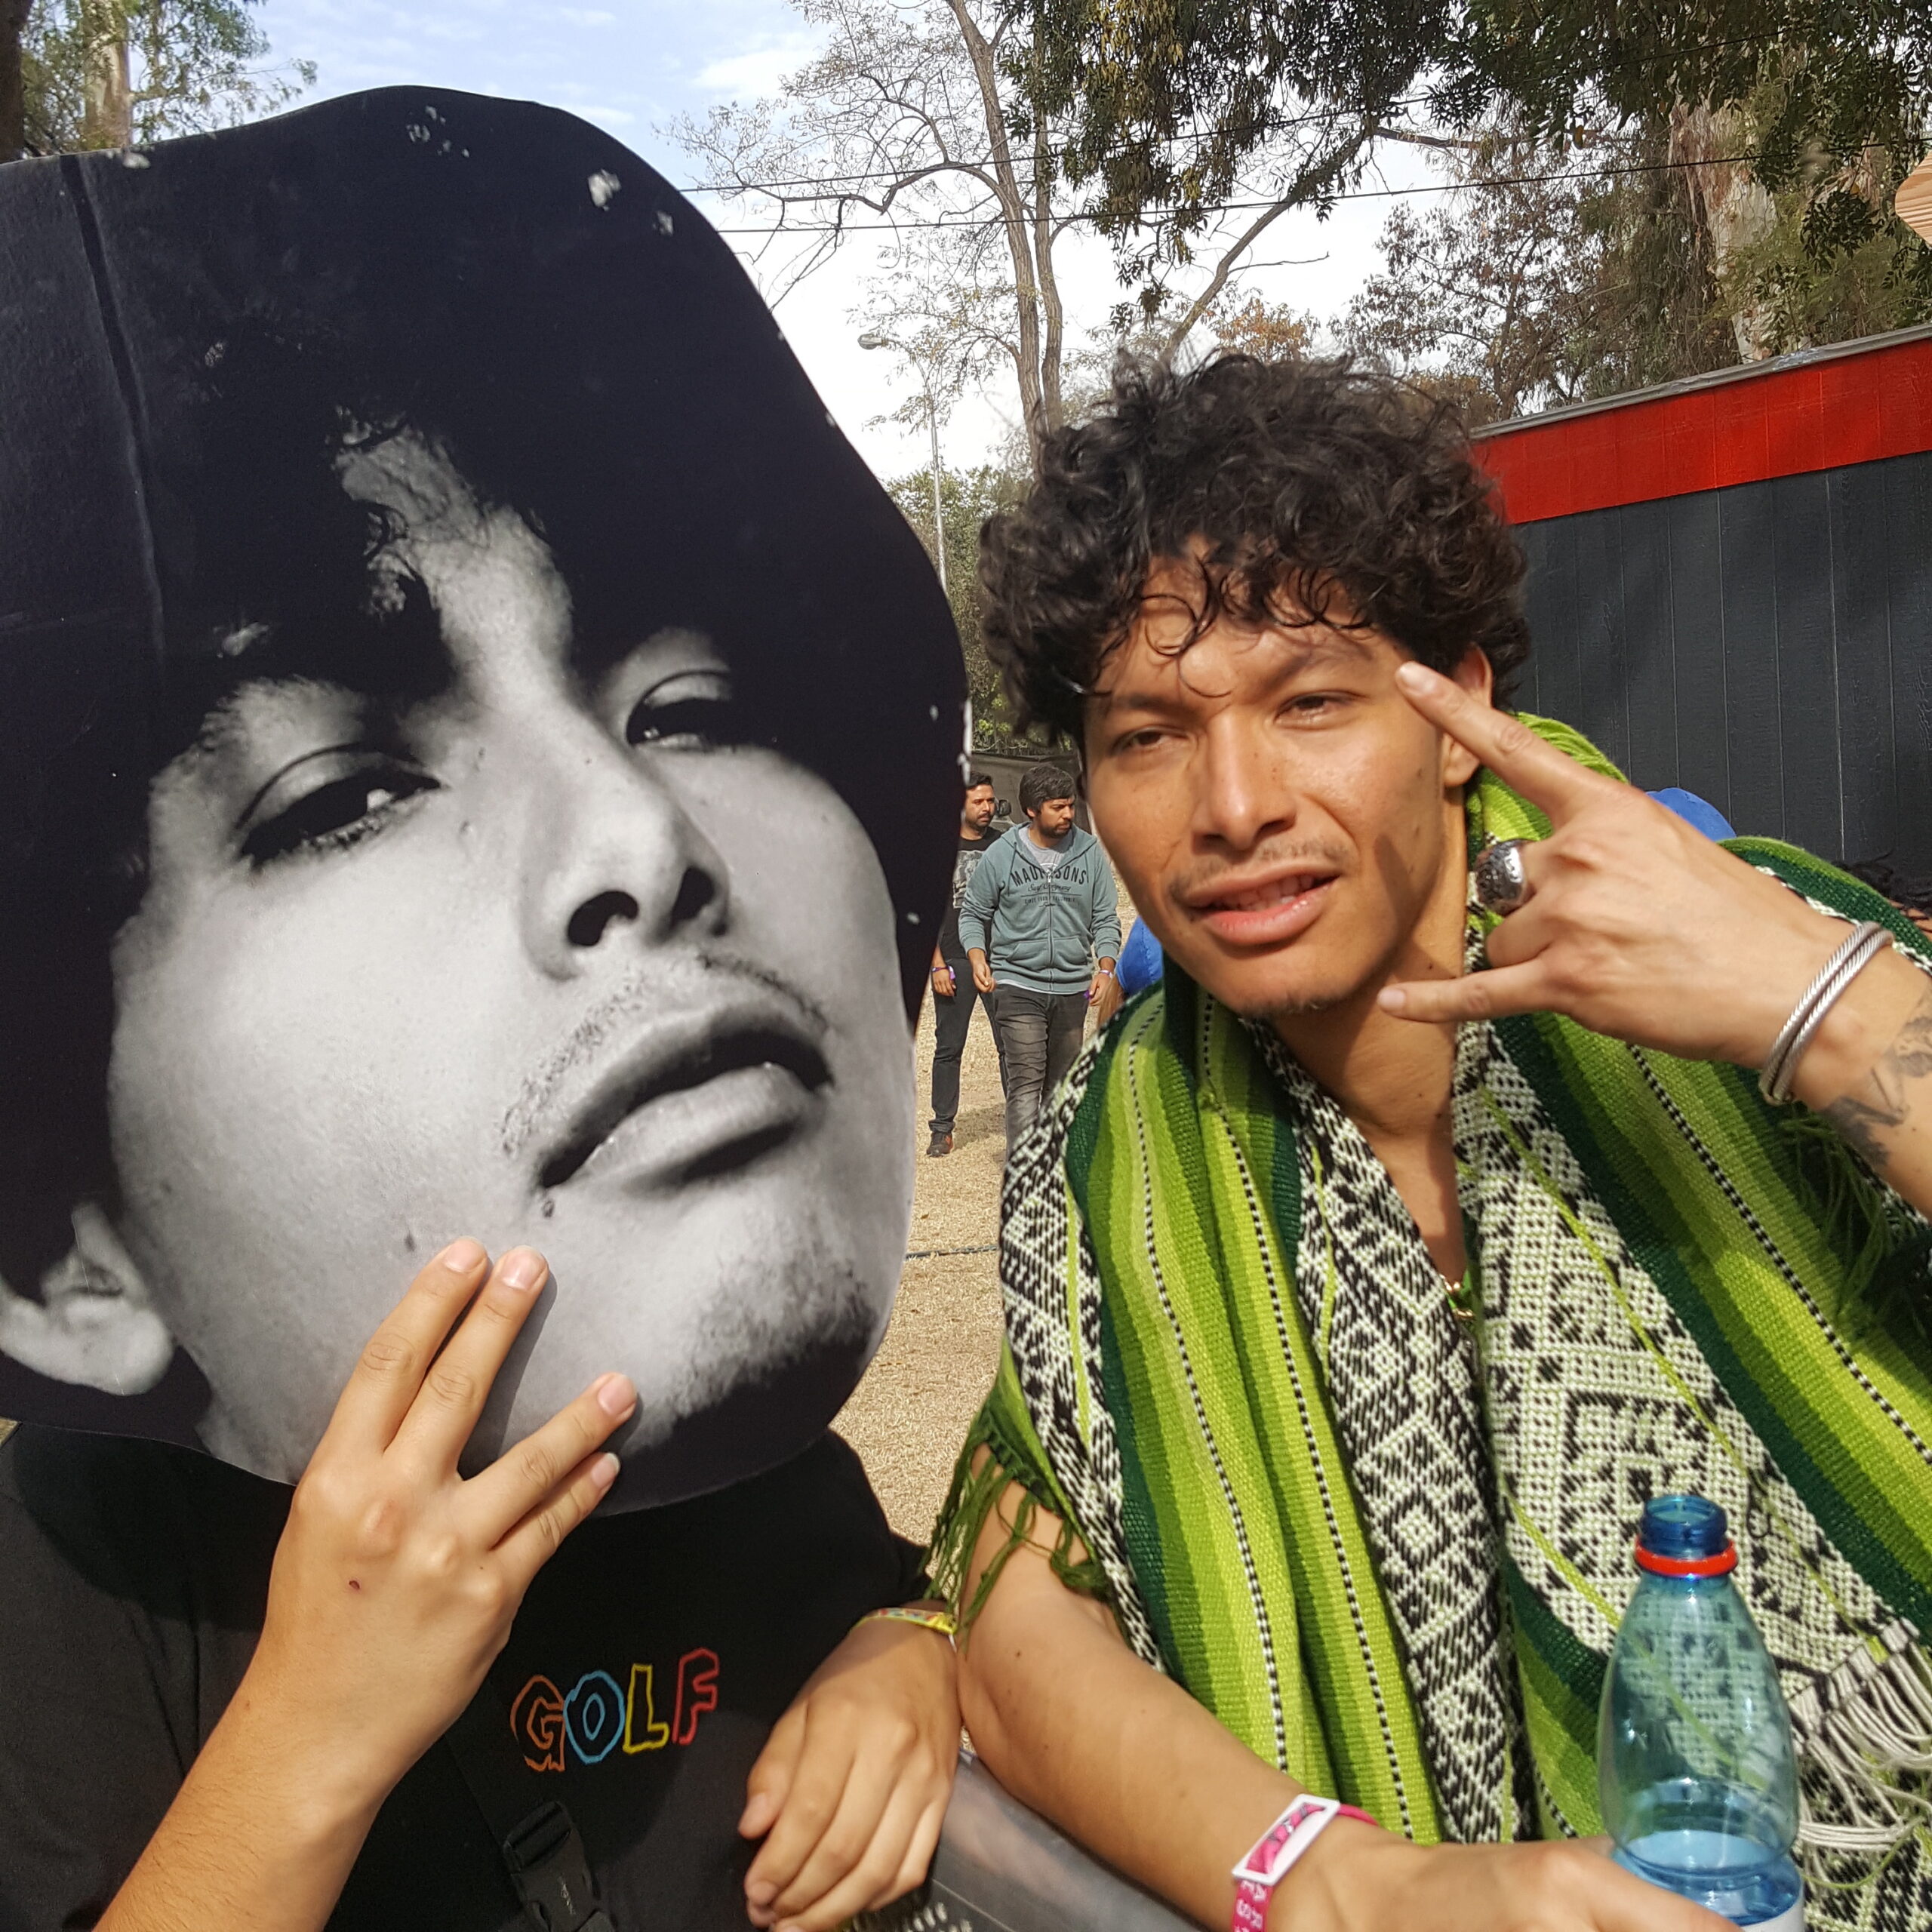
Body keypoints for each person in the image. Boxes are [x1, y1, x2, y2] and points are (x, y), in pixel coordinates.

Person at [0, 90, 966, 1930]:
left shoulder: (741, 1473)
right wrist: (309, 1723)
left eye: (689, 699)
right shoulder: (81, 1572)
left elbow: (887, 1586)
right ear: (64, 1259)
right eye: (335, 795)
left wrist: (906, 1644)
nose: (637, 831)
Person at [930, 355, 1932, 1932]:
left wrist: (1817, 1005)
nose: (1233, 802)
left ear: (1457, 715)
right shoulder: (1118, 1150)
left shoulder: (1778, 961)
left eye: (1311, 701)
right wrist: (1347, 1882)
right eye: (1145, 736)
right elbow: (1005, 1586)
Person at [958, 764, 1121, 1148]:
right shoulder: (1001, 855)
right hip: (1017, 985)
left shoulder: (1090, 853)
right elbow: (973, 913)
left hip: (1072, 988)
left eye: (1070, 806)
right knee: (1026, 1082)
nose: (1067, 814)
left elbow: (1105, 917)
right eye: (1057, 807)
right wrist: (978, 956)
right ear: (1032, 809)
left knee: (1061, 1085)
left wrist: (1106, 965)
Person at [927, 775, 1001, 1156]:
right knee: (949, 1047)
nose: (987, 808)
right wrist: (937, 965)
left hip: (1000, 960)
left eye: (990, 801)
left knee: (1012, 1044)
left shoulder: (1005, 845)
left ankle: (1025, 1125)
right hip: (954, 958)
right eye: (979, 802)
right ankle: (942, 1129)